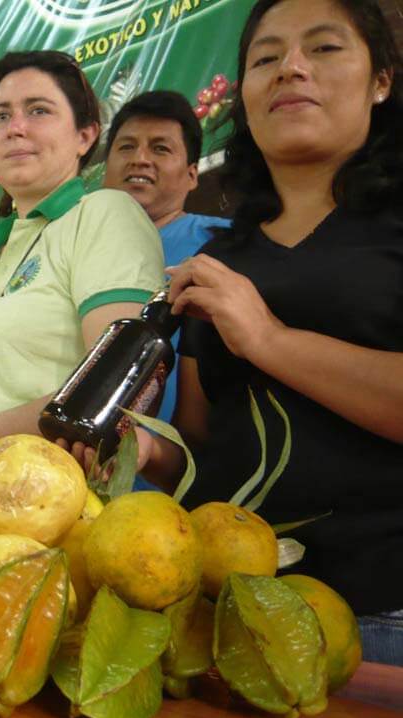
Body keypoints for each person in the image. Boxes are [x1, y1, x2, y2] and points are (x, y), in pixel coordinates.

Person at [134, 0, 402, 663]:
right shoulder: (221, 260)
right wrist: (146, 451)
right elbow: (206, 440)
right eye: (265, 58)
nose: (291, 68)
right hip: (220, 616)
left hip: (377, 619)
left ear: (381, 81)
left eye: (325, 47)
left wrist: (269, 339)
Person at [0, 50, 164, 420]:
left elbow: (112, 393)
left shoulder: (102, 215)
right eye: (1, 116)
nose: (15, 128)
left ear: (85, 137)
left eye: (38, 111)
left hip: (47, 474)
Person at [102, 90, 232, 488]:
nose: (140, 158)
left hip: (175, 490)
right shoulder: (74, 248)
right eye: (126, 146)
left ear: (192, 174)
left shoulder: (224, 245)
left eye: (160, 148)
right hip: (63, 484)